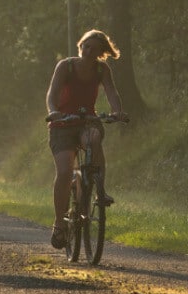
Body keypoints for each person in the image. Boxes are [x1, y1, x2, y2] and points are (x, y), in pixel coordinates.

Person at [44, 29, 128, 250]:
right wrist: (53, 111)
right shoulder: (66, 66)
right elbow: (52, 94)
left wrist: (117, 111)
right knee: (64, 172)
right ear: (80, 46)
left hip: (86, 120)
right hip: (62, 123)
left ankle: (100, 188)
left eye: (92, 48)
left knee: (93, 139)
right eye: (84, 46)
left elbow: (111, 91)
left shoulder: (102, 70)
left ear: (101, 52)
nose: (86, 50)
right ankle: (59, 223)